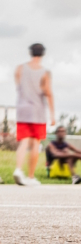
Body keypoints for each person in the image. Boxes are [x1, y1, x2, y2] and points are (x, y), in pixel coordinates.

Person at [13, 43, 54, 186]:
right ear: (42, 54)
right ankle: (30, 177)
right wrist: (53, 115)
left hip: (22, 109)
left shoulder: (20, 69)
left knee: (24, 141)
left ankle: (18, 170)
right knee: (36, 142)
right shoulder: (44, 72)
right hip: (37, 110)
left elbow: (19, 86)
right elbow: (48, 93)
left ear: (30, 53)